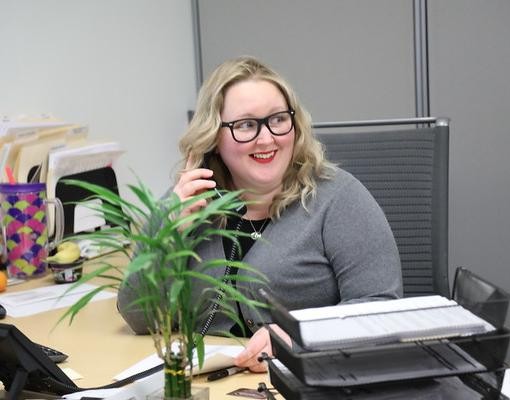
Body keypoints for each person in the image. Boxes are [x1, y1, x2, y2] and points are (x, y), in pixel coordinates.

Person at [117, 56, 402, 372]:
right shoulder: (189, 201)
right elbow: (139, 318)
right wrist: (168, 230)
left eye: (278, 119)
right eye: (246, 125)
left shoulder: (338, 198)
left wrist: (301, 336)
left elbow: (380, 310)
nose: (267, 138)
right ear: (213, 138)